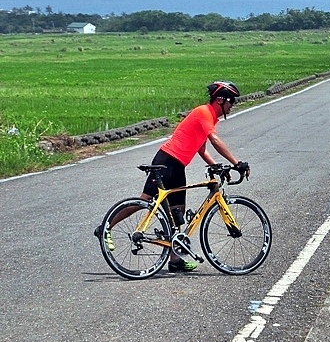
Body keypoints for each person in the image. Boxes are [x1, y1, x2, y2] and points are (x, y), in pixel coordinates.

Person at [95, 81, 250, 273]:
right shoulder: (204, 112)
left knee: (177, 214)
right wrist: (237, 162)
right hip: (166, 161)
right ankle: (105, 227)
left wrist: (216, 166)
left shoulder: (210, 117)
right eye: (231, 101)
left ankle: (175, 260)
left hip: (178, 166)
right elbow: (215, 140)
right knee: (143, 201)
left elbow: (201, 148)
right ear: (220, 99)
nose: (232, 105)